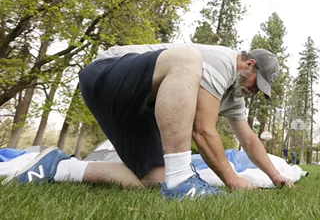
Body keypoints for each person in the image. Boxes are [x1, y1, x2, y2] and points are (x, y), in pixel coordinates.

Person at [3, 43, 294, 199]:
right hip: (107, 75)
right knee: (188, 57)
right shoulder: (222, 61)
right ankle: (181, 180)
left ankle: (60, 167)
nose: (256, 91)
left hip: (133, 106)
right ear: (248, 64)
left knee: (153, 179)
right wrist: (232, 180)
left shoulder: (235, 96)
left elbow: (249, 140)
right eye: (259, 83)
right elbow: (202, 130)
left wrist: (275, 176)